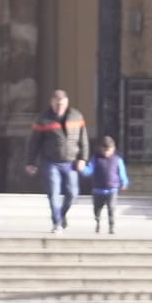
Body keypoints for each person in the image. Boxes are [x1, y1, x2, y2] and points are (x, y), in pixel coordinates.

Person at [26, 89, 89, 234]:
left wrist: (83, 159)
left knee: (73, 193)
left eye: (62, 103)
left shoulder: (77, 116)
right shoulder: (43, 118)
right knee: (53, 192)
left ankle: (61, 214)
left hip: (71, 162)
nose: (59, 106)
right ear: (52, 102)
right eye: (57, 104)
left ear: (66, 102)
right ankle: (57, 223)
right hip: (51, 162)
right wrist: (31, 162)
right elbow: (34, 142)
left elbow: (83, 140)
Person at [81, 135, 128, 235]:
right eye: (104, 150)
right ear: (100, 148)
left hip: (112, 189)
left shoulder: (117, 159)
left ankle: (111, 226)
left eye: (109, 150)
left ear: (113, 148)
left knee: (111, 208)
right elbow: (89, 170)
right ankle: (97, 221)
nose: (106, 152)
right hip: (98, 190)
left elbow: (122, 172)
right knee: (97, 209)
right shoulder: (95, 159)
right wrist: (83, 169)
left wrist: (124, 182)